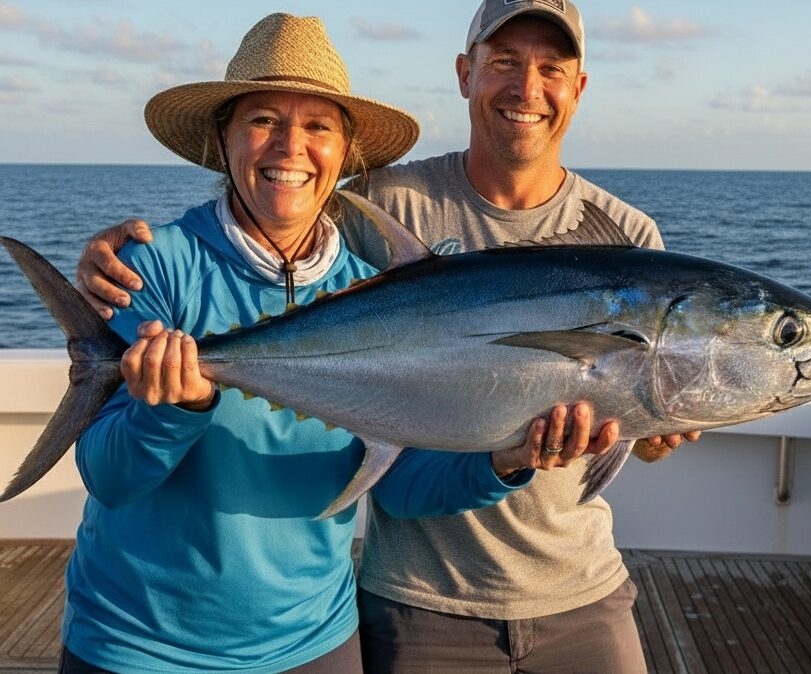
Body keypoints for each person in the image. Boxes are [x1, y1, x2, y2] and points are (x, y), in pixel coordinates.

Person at [75, 2, 700, 672]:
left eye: (317, 126)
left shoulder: (620, 238)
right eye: (263, 120)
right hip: (165, 640)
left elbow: (398, 467)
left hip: (352, 632)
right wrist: (121, 280)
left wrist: (519, 456)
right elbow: (109, 473)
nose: (291, 148)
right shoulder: (374, 211)